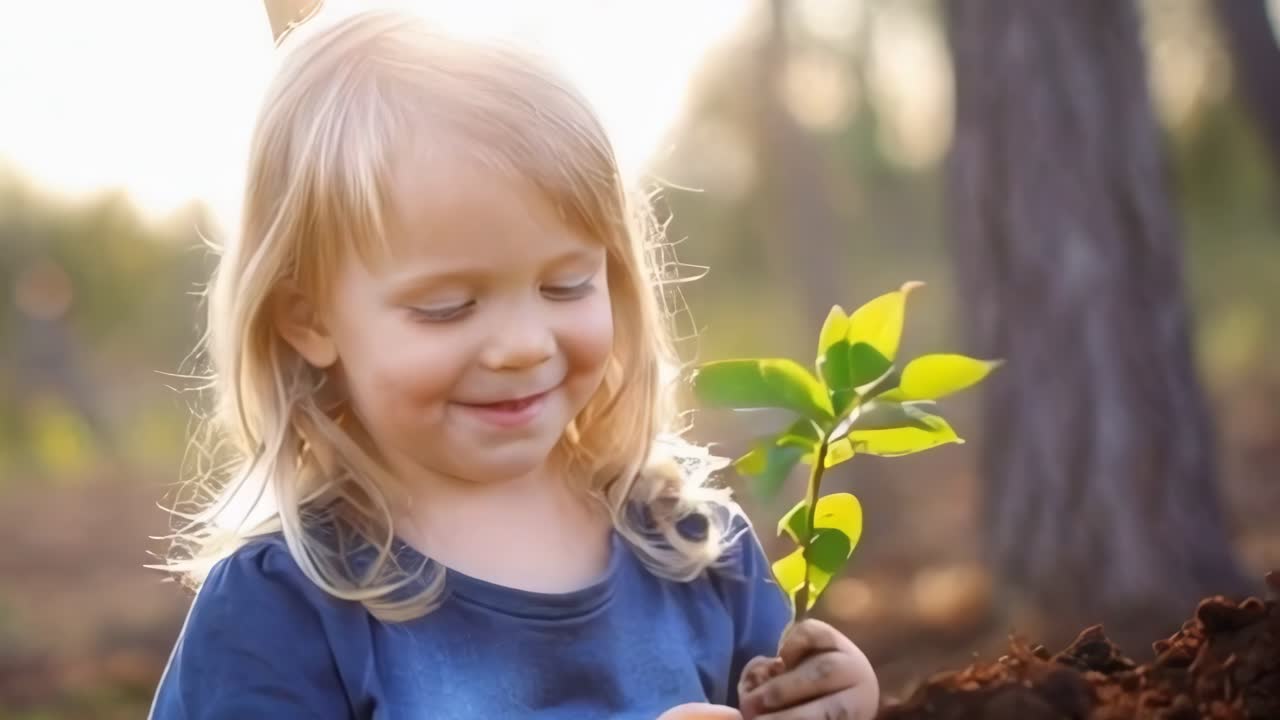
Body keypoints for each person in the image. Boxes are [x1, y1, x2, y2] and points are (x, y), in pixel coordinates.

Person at [148, 7, 878, 719]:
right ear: (309, 320)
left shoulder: (699, 553)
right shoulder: (280, 610)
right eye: (448, 306)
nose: (526, 344)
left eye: (567, 285)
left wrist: (830, 700)